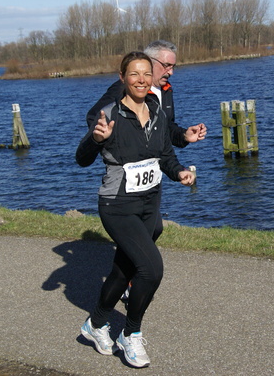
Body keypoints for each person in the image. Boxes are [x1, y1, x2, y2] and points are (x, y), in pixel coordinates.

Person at [76, 51, 196, 368]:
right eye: (134, 74)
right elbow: (82, 158)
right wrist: (95, 139)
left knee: (124, 268)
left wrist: (179, 171)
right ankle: (130, 335)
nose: (141, 80)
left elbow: (164, 156)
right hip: (117, 204)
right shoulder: (110, 114)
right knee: (151, 269)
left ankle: (95, 324)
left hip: (149, 203)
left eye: (146, 74)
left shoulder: (156, 110)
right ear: (122, 79)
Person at [86, 40, 206, 302]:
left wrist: (184, 135)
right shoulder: (124, 88)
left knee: (155, 230)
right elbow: (95, 117)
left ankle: (126, 276)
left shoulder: (165, 91)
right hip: (122, 184)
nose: (171, 71)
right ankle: (130, 285)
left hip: (150, 184)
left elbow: (164, 130)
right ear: (150, 62)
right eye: (167, 65)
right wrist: (118, 141)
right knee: (150, 265)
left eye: (174, 66)